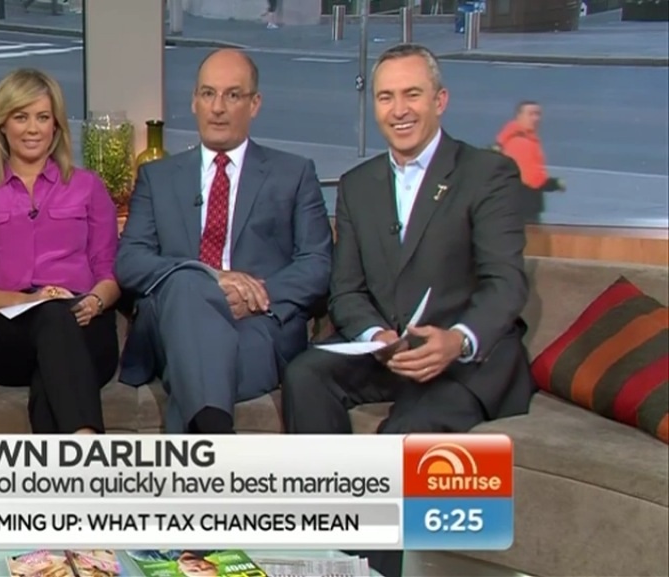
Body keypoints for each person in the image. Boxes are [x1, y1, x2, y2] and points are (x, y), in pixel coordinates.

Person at [281, 43, 537, 577]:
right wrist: (375, 335)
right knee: (305, 374)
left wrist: (457, 338)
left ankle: (375, 570)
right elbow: (346, 290)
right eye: (386, 97)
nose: (399, 110)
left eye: (412, 94)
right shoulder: (357, 186)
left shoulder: (486, 173)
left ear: (440, 100)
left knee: (403, 433)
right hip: (390, 353)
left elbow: (505, 282)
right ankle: (331, 547)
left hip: (466, 360)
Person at [115, 48, 332, 435]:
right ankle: (216, 438)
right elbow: (130, 261)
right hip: (170, 326)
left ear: (255, 104)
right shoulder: (157, 177)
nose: (217, 107)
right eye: (208, 94)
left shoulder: (294, 174)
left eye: (232, 95)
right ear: (194, 101)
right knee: (188, 281)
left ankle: (206, 435)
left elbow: (317, 264)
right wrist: (211, 278)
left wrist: (256, 294)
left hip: (257, 325)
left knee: (195, 364)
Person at [0, 68, 120, 435]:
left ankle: (67, 460)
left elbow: (109, 271)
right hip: (5, 334)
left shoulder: (88, 187)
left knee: (54, 360)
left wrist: (95, 301)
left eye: (43, 117)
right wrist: (29, 302)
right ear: (2, 125)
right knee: (52, 318)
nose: (32, 129)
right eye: (20, 117)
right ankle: (88, 445)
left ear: (56, 126)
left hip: (83, 323)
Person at [495, 100, 565, 220]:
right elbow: (532, 179)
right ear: (519, 116)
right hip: (523, 208)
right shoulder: (521, 142)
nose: (535, 118)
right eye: (531, 114)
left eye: (538, 114)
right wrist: (556, 184)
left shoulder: (510, 139)